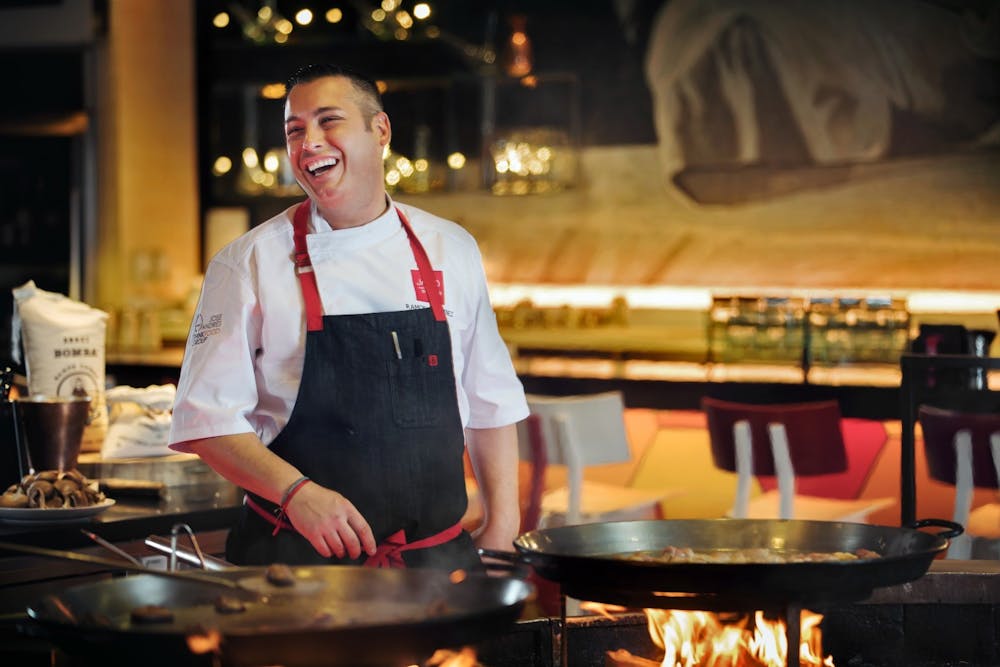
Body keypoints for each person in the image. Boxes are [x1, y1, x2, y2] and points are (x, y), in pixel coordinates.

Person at [168, 63, 528, 572]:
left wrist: (502, 527)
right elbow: (206, 421)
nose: (309, 141)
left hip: (434, 568)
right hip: (293, 567)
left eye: (328, 121)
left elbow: (491, 399)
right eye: (295, 130)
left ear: (379, 130)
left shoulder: (450, 248)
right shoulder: (248, 262)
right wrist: (297, 494)